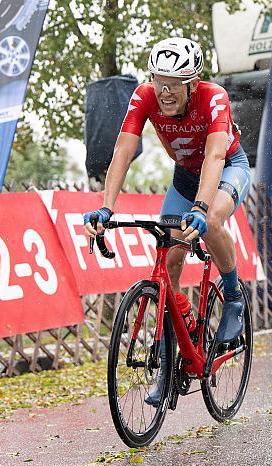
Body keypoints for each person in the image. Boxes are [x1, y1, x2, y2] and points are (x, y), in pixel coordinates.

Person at [83, 37, 251, 405]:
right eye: (159, 80)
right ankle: (168, 363)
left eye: (173, 83)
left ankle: (234, 297)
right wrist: (106, 207)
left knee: (215, 222)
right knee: (168, 260)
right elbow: (123, 150)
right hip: (184, 179)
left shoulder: (213, 97)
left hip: (227, 169)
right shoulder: (144, 96)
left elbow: (215, 156)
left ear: (193, 83)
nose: (164, 91)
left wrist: (203, 208)